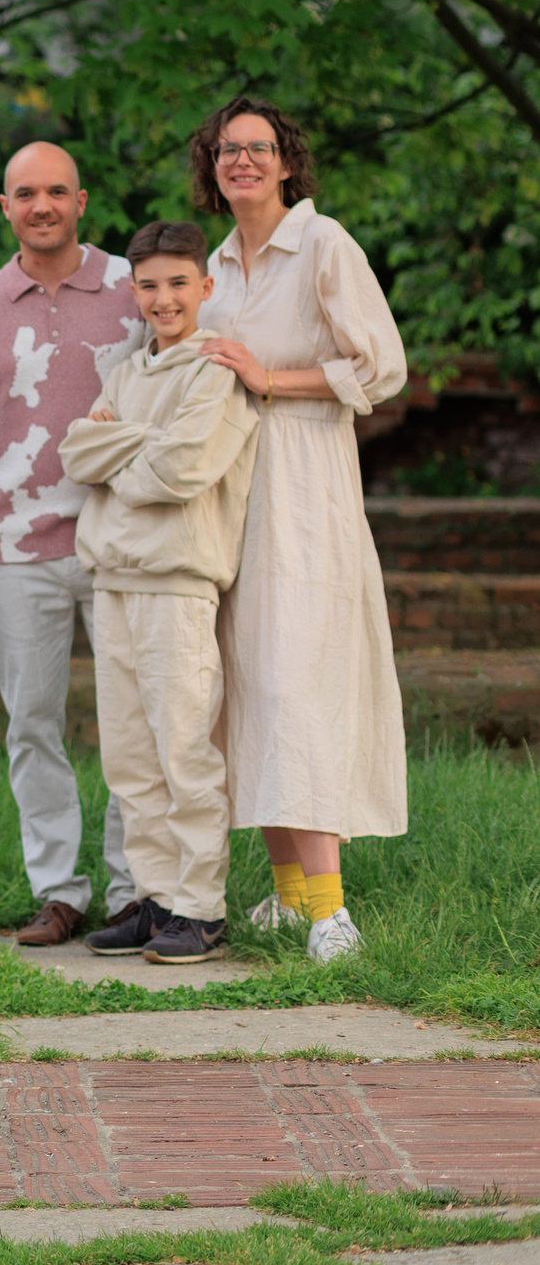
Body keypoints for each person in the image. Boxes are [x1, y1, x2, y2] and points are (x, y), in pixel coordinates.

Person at [191, 96, 408, 963]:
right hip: (231, 495)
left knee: (297, 687)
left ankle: (332, 914)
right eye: (226, 149)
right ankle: (286, 896)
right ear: (212, 166)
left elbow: (380, 366)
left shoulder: (323, 244)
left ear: (286, 163)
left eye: (259, 148)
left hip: (305, 492)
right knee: (247, 688)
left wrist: (269, 377)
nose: (241, 160)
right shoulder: (213, 264)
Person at [0, 143, 140, 946]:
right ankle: (60, 891)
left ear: (81, 200)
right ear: (4, 206)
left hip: (124, 535)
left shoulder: (136, 287)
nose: (42, 205)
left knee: (135, 720)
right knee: (32, 722)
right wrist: (25, 447)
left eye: (56, 191)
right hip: (18, 542)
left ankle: (137, 890)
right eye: (25, 193)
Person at [61, 222, 259, 964]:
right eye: (148, 284)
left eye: (178, 282)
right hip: (112, 576)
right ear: (133, 290)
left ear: (204, 287)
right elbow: (74, 452)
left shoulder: (215, 370)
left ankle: (199, 907)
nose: (163, 297)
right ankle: (152, 898)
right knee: (130, 756)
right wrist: (135, 440)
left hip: (177, 580)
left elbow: (181, 471)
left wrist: (118, 445)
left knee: (183, 747)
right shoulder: (124, 372)